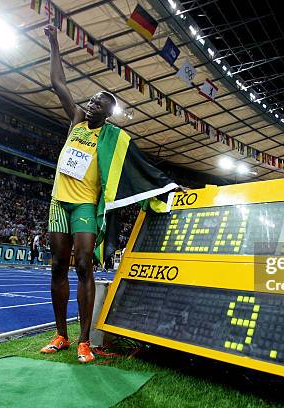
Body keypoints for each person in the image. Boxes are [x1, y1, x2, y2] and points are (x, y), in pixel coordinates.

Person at [41, 25, 178, 363]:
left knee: (84, 264)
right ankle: (62, 335)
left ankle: (84, 341)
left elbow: (137, 164)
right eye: (90, 100)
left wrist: (168, 183)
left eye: (97, 104)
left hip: (86, 204)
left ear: (106, 113)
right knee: (59, 264)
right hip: (60, 201)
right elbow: (58, 84)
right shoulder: (75, 120)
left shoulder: (113, 138)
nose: (89, 105)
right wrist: (55, 44)